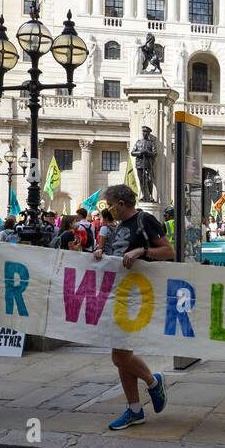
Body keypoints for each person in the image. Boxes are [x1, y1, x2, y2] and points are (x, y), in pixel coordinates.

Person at [92, 184, 173, 430]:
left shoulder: (144, 220)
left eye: (110, 204)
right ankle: (135, 409)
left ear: (121, 202)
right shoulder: (119, 228)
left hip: (137, 294)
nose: (109, 209)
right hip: (119, 294)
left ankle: (152, 381)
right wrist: (99, 253)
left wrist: (142, 250)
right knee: (122, 356)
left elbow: (168, 251)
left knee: (119, 355)